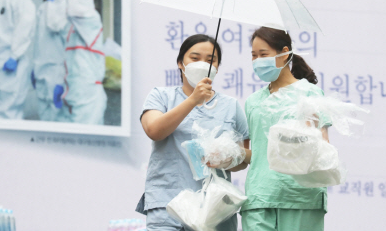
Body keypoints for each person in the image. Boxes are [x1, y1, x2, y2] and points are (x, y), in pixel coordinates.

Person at [136, 34, 249, 231]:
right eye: (194, 58)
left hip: (215, 209)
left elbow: (246, 157)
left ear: (217, 67)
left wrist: (229, 158)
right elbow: (153, 130)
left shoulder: (231, 106)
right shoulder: (160, 96)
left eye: (210, 60)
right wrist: (193, 100)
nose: (202, 64)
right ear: (181, 63)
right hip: (168, 205)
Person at [240, 27, 331, 231]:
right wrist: (230, 154)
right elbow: (260, 154)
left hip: (300, 196)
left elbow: (324, 146)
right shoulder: (253, 101)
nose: (257, 61)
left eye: (263, 54)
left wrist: (308, 139)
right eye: (253, 56)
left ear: (284, 53)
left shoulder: (309, 93)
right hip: (259, 196)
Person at [62, 0, 107, 124]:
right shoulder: (73, 24)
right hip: (75, 91)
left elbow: (73, 10)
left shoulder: (91, 18)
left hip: (89, 93)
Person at [32, 0, 71, 122]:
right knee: (43, 114)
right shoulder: (43, 7)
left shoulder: (67, 7)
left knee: (57, 117)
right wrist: (33, 67)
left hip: (57, 71)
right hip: (40, 68)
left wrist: (51, 3)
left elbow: (54, 25)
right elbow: (38, 39)